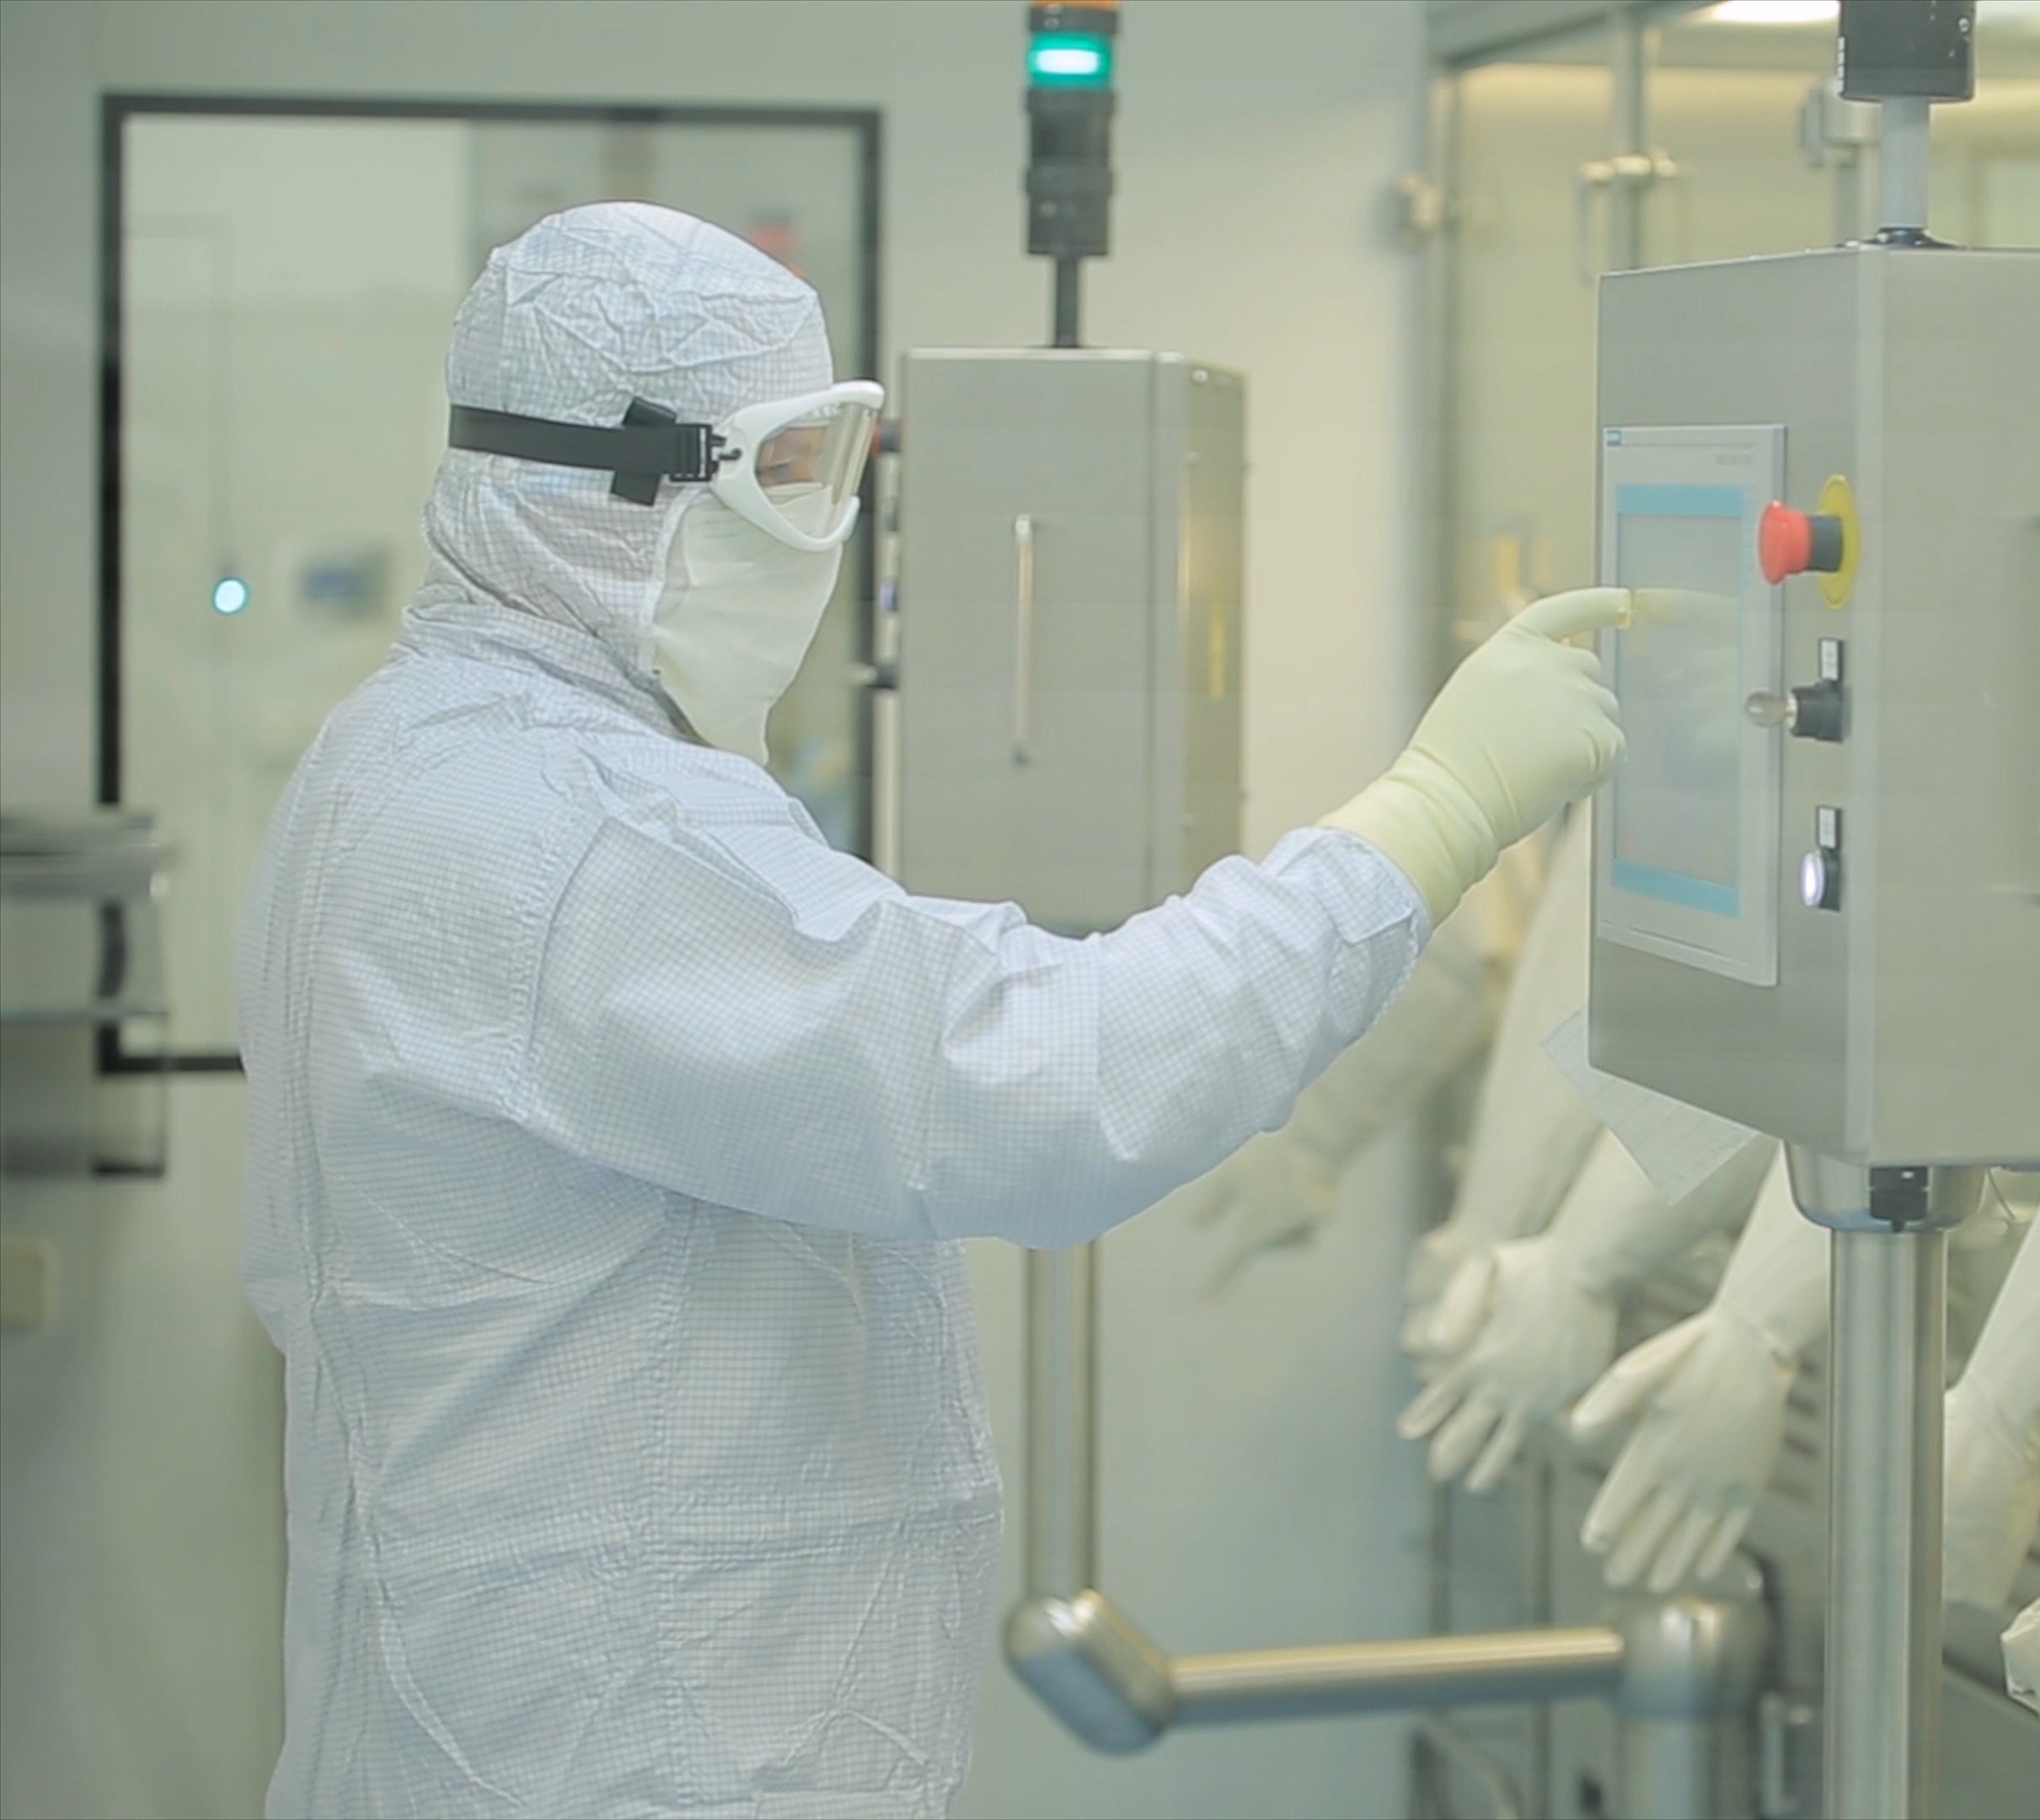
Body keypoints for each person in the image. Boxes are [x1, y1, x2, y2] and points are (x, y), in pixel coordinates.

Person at [235, 201, 1625, 1819]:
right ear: (608, 482)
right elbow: (1039, 1083)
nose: (820, 535)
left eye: (844, 467)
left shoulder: (409, 750)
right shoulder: (577, 826)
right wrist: (1435, 811)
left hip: (507, 1725)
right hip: (624, 1756)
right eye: (783, 470)